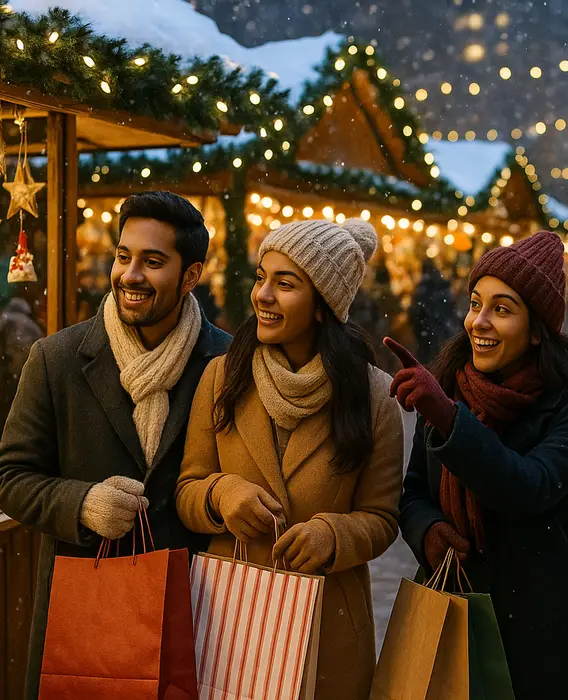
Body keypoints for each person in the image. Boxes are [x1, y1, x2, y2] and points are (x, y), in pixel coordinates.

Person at [0, 191, 231, 700]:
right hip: (88, 612)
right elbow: (10, 478)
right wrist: (82, 504)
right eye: (124, 256)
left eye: (152, 261)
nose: (130, 274)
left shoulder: (227, 365)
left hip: (196, 612)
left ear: (191, 276)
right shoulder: (56, 359)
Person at [176, 217, 404, 700]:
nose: (262, 295)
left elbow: (383, 518)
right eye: (262, 277)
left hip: (329, 624)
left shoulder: (374, 395)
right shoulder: (222, 377)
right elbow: (188, 490)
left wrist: (333, 534)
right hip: (232, 616)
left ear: (322, 304)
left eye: (286, 283)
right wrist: (222, 494)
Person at [393, 231, 568, 700]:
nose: (479, 322)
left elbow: (527, 487)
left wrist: (448, 419)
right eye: (476, 304)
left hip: (535, 628)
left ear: (537, 329)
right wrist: (429, 532)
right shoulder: (450, 387)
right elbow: (413, 491)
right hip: (451, 608)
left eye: (502, 309)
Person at [410, 261, 456, 365]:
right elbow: (449, 308)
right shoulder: (442, 285)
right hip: (440, 327)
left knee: (428, 356)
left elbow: (415, 311)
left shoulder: (422, 288)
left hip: (427, 329)